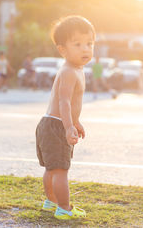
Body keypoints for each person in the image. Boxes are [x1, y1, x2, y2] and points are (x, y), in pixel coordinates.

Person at [35, 16, 94, 220]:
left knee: (52, 168)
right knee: (60, 169)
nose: (85, 49)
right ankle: (64, 208)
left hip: (51, 122)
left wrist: (75, 122)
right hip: (57, 125)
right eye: (77, 44)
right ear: (63, 50)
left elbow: (70, 105)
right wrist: (68, 127)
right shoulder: (69, 71)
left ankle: (51, 202)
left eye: (89, 43)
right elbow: (64, 102)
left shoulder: (77, 69)